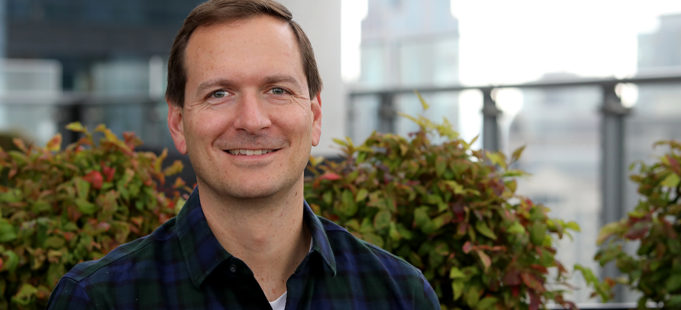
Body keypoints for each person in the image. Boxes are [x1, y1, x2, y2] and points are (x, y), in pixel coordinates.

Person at [47, 0, 440, 309]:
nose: (252, 121)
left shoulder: (399, 294)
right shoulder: (98, 300)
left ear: (315, 116)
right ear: (178, 123)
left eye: (277, 90)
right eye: (219, 93)